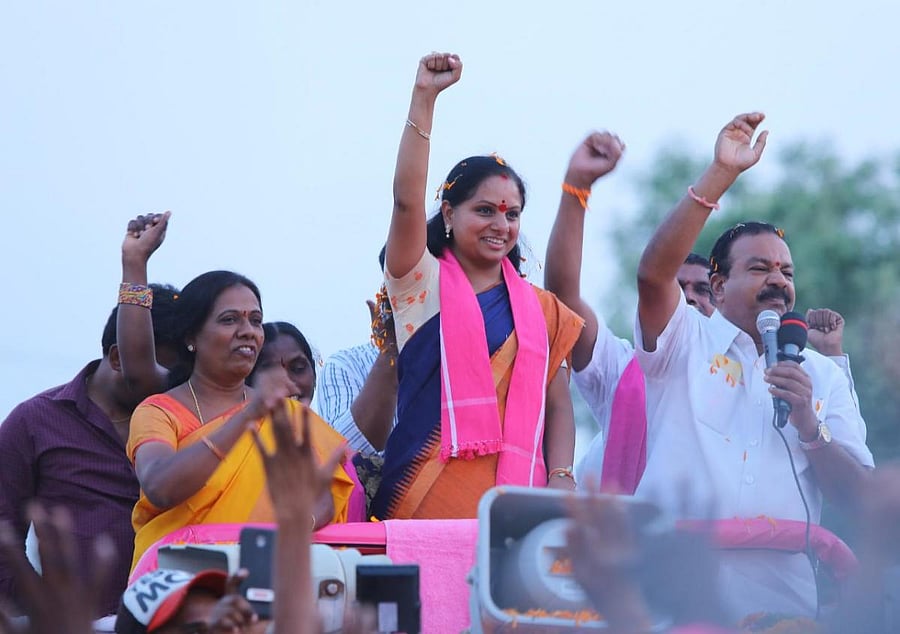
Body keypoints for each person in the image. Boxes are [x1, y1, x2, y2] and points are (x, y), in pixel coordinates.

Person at [633, 112, 873, 620]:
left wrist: (810, 423)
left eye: (787, 271)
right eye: (759, 268)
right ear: (717, 289)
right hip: (670, 594)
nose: (779, 280)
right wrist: (720, 174)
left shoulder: (822, 375)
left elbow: (861, 499)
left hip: (781, 605)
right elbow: (654, 274)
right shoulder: (685, 341)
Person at [370, 52, 583, 520]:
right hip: (422, 496)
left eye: (511, 214)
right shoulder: (419, 284)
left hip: (521, 509)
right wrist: (424, 97)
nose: (501, 225)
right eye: (484, 210)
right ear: (449, 214)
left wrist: (562, 476)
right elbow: (406, 200)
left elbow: (558, 403)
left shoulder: (543, 310)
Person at [126, 270, 355, 569]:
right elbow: (159, 485)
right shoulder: (158, 411)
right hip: (178, 581)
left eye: (255, 320)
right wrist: (250, 414)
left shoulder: (288, 415)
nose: (248, 330)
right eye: (230, 319)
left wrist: (288, 528)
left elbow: (323, 497)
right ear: (191, 336)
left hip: (270, 574)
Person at [0, 285, 179, 617]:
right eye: (154, 372)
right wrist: (45, 609)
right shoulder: (34, 422)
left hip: (177, 620)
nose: (163, 386)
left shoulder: (191, 425)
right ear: (117, 357)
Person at [247, 321, 318, 407]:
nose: (289, 383)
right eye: (273, 376)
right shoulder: (232, 420)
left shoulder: (323, 420)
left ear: (313, 372)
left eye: (298, 369)